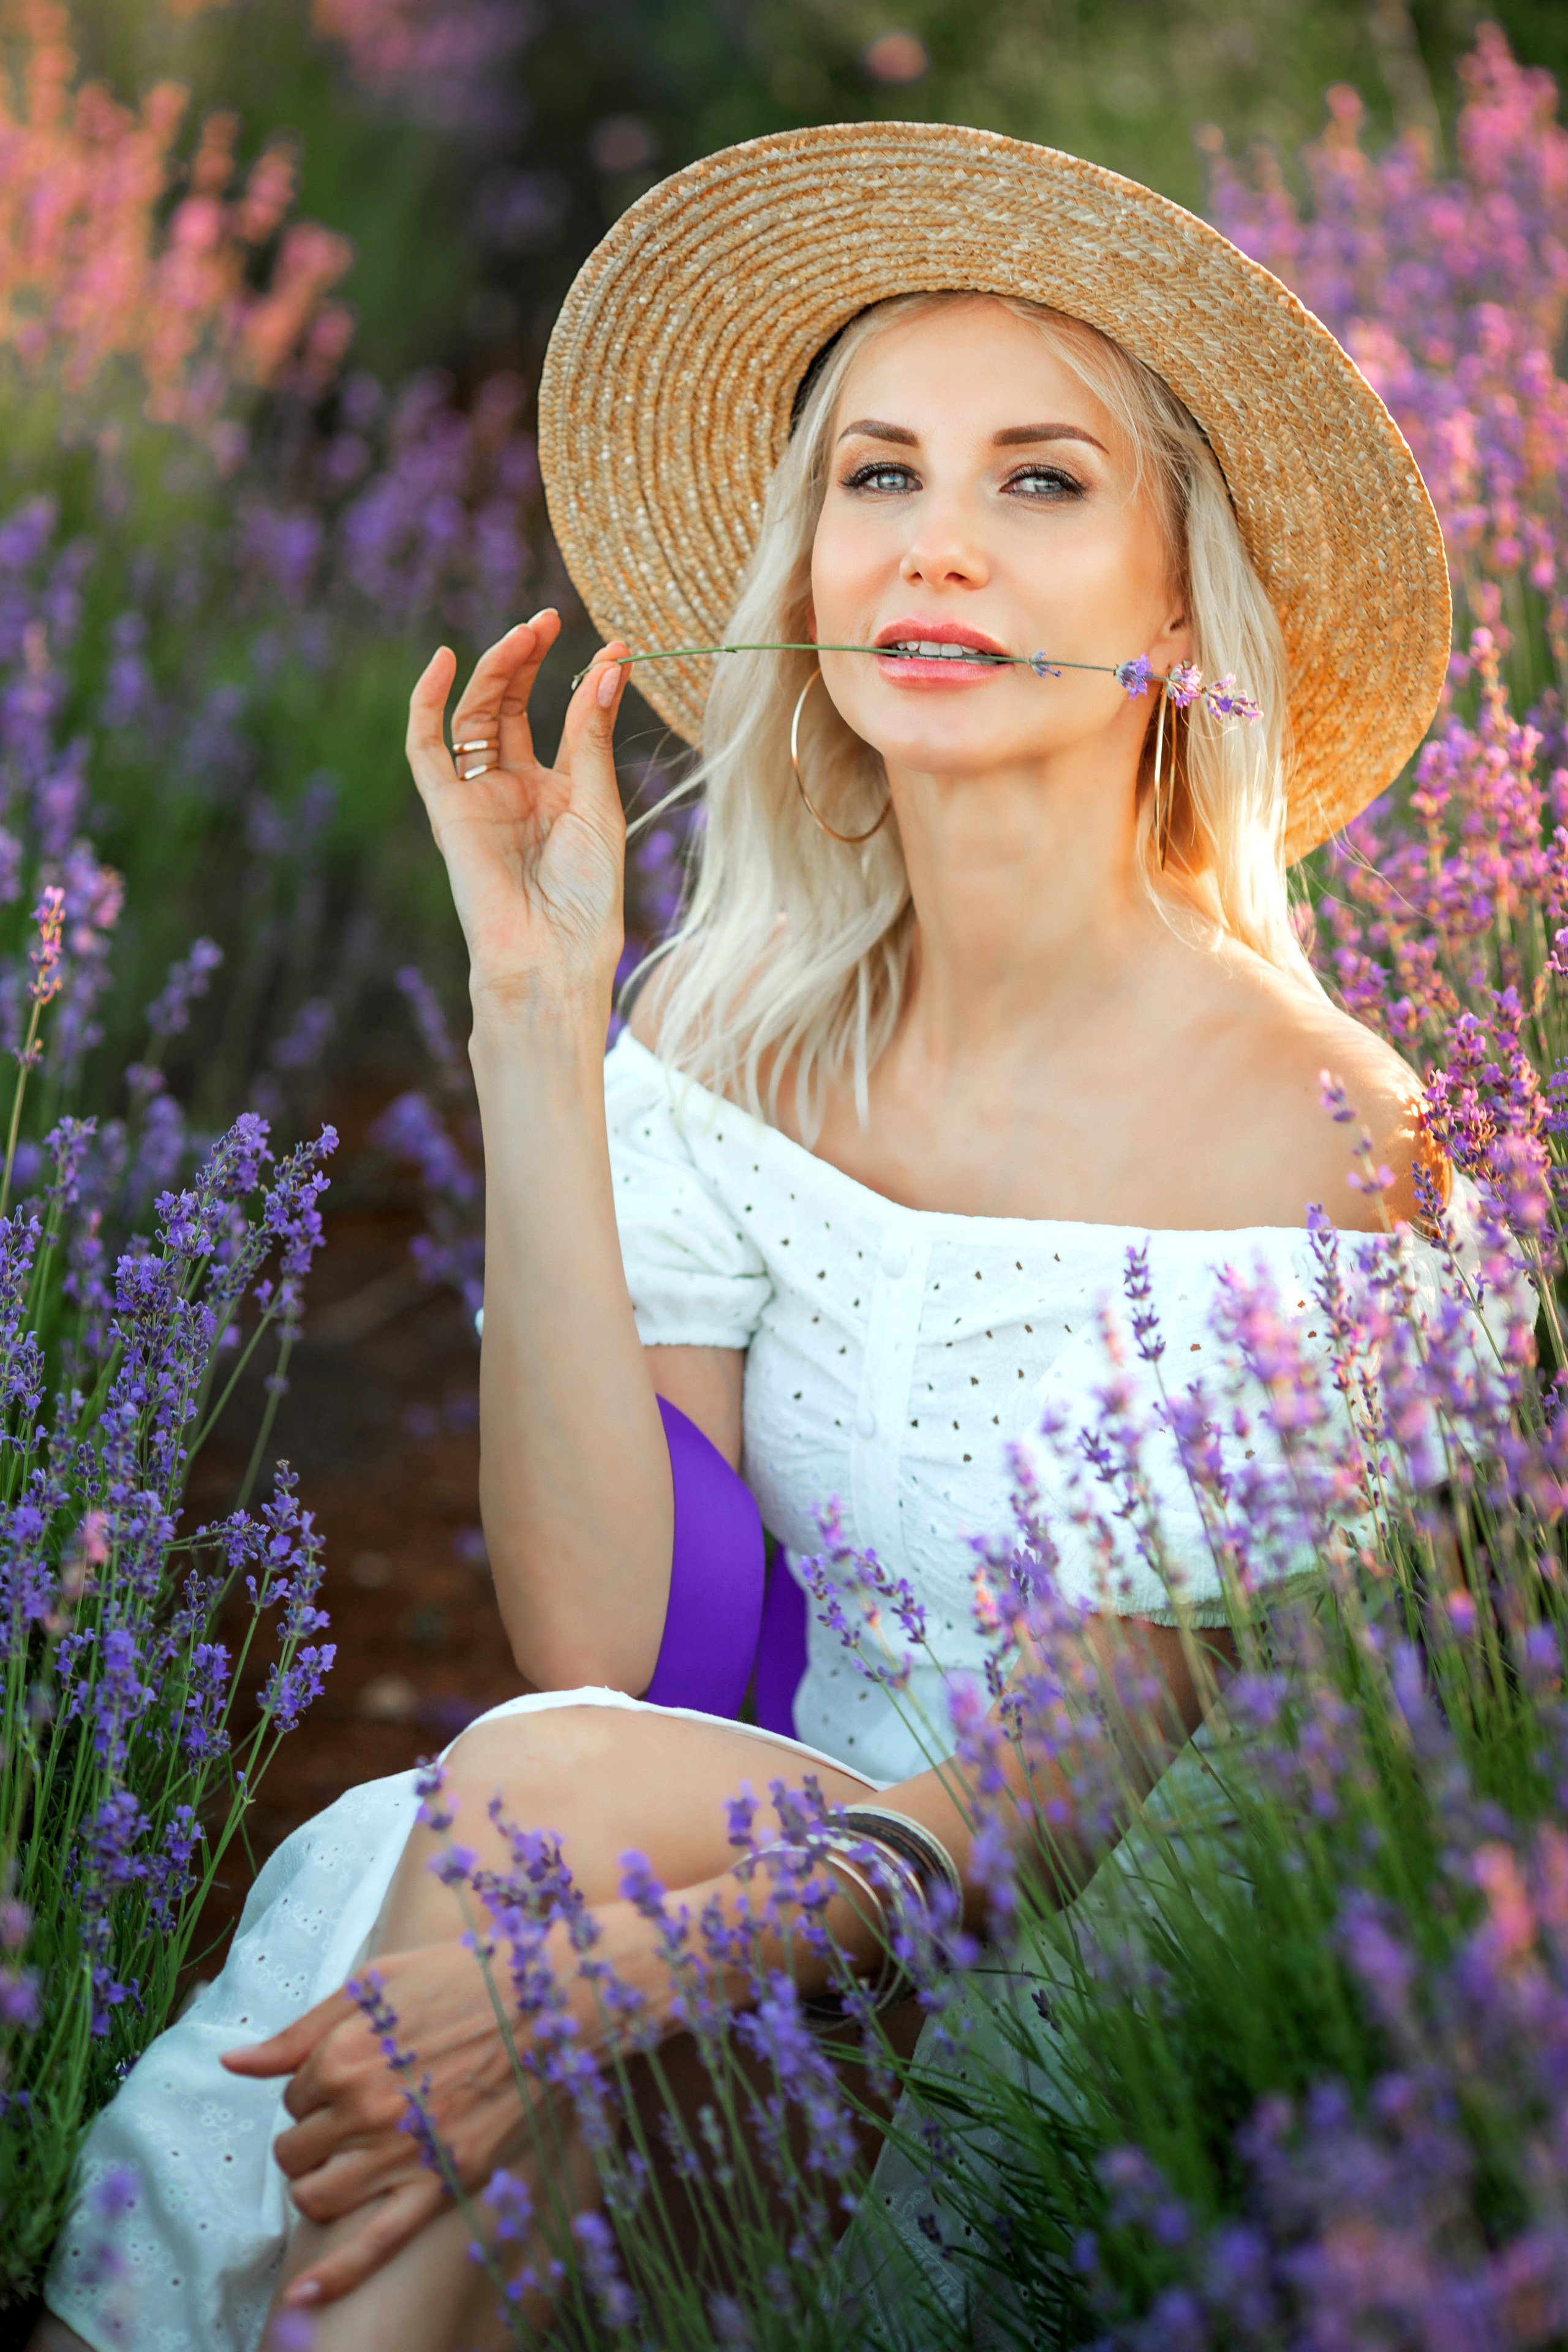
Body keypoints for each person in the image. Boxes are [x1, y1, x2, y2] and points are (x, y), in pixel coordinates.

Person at [37, 118, 1458, 2351]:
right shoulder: (733, 1026)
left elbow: (1101, 1763)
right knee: (542, 1801)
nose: (936, 551)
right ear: (804, 560)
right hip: (690, 1836)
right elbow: (604, 1619)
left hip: (1062, 1962)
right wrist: (537, 1014)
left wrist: (639, 1964)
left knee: (530, 1834)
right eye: (877, 477)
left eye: (1042, 483)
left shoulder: (1310, 1131)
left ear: (1182, 605)